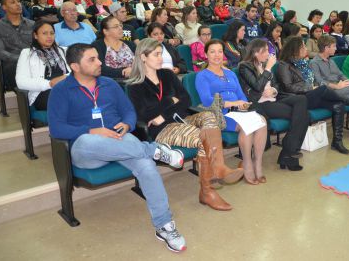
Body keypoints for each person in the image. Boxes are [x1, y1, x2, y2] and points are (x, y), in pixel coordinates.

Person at [47, 43, 186, 252]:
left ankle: (164, 225)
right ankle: (153, 149)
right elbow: (56, 128)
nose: (100, 62)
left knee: (147, 167)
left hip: (120, 140)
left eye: (98, 57)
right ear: (75, 66)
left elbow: (129, 112)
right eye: (92, 60)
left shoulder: (109, 84)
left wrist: (127, 124)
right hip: (87, 148)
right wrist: (92, 131)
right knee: (88, 140)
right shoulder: (61, 90)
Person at [127, 38, 242, 209]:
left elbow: (186, 99)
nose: (161, 58)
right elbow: (144, 114)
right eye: (156, 55)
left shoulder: (167, 74)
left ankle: (217, 168)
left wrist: (163, 111)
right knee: (203, 137)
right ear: (143, 57)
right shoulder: (135, 85)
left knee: (209, 117)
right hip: (162, 129)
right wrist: (169, 101)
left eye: (161, 54)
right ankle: (208, 190)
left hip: (182, 119)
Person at [196, 39, 268, 185]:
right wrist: (233, 103)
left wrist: (243, 104)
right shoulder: (202, 76)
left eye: (220, 51)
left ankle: (257, 162)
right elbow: (207, 100)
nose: (217, 55)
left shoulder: (230, 73)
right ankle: (247, 164)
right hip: (220, 113)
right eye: (212, 52)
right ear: (205, 54)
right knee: (247, 127)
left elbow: (241, 95)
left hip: (238, 111)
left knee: (262, 121)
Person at [238, 39, 309, 170]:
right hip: (260, 104)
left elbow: (276, 85)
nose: (268, 54)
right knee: (304, 116)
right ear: (255, 52)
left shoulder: (264, 64)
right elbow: (257, 86)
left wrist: (273, 90)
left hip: (273, 98)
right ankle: (289, 154)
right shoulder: (245, 66)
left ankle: (288, 151)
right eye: (265, 51)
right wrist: (269, 68)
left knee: (301, 100)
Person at [276, 36, 349, 154]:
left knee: (338, 104)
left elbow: (313, 80)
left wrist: (313, 87)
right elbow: (288, 87)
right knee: (323, 89)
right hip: (298, 99)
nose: (306, 49)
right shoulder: (283, 65)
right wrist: (311, 88)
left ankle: (337, 141)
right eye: (303, 47)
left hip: (311, 95)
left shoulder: (304, 63)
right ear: (296, 49)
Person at [16, 20, 69, 109]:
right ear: (35, 35)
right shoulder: (27, 53)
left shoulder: (64, 50)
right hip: (43, 92)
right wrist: (49, 84)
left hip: (66, 87)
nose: (49, 36)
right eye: (45, 33)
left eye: (52, 33)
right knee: (65, 100)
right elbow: (21, 82)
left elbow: (76, 71)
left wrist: (66, 77)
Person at [0, 0, 35, 89]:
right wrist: (22, 59)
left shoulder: (32, 24)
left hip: (33, 62)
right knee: (14, 67)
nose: (18, 4)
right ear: (4, 7)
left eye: (18, 1)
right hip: (12, 65)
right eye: (13, 2)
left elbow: (39, 45)